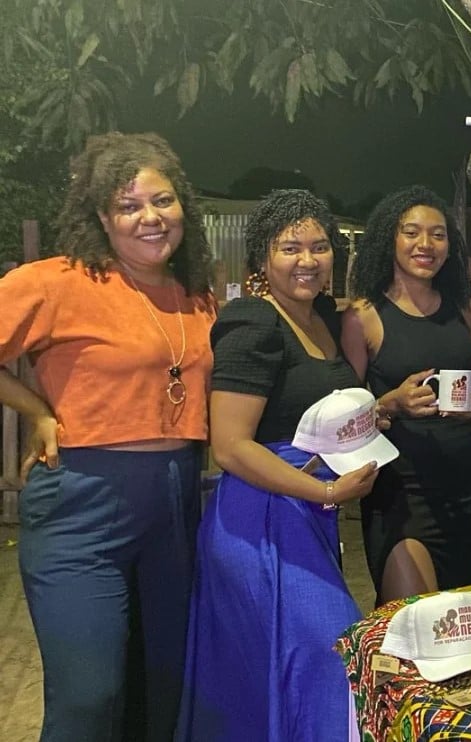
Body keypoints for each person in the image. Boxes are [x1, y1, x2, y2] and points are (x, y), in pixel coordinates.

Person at [0, 132, 216, 741]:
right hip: (81, 506)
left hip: (174, 505)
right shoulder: (56, 281)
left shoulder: (196, 295)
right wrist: (37, 408)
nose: (150, 217)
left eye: (163, 201)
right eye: (128, 206)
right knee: (90, 696)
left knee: (163, 687)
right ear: (102, 216)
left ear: (183, 209)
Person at [176, 190, 379, 741]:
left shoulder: (321, 321)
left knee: (285, 671)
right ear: (262, 258)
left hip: (304, 513)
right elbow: (232, 447)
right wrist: (329, 494)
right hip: (259, 519)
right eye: (290, 248)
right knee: (331, 657)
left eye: (319, 247)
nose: (307, 260)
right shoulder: (252, 323)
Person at [342, 185, 471, 605]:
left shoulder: (464, 308)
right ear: (389, 240)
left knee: (454, 627)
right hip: (399, 491)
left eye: (438, 234)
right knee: (409, 624)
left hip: (462, 488)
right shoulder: (363, 316)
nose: (425, 244)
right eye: (411, 233)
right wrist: (390, 403)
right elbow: (343, 419)